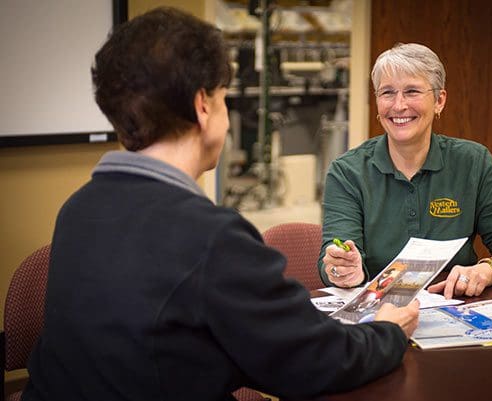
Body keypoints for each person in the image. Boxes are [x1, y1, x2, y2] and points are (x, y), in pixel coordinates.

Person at [22, 8, 420, 401]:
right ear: (203, 106)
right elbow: (314, 363)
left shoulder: (78, 208)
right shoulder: (210, 237)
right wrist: (386, 330)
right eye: (224, 98)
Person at [319, 43, 492, 299]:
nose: (398, 105)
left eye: (412, 91)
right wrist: (343, 270)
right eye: (387, 93)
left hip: (455, 309)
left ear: (439, 100)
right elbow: (333, 257)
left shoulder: (473, 162)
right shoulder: (347, 172)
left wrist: (486, 270)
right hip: (380, 319)